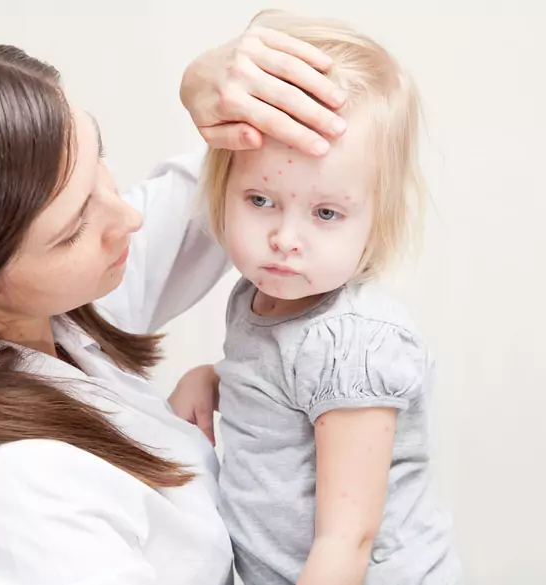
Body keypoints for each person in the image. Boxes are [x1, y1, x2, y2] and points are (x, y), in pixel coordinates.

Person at [0, 19, 348, 585]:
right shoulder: (13, 500)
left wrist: (220, 90)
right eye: (74, 226)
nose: (126, 216)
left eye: (97, 164)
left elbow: (214, 201)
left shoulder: (33, 311)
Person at [168, 11, 462, 585]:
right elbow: (282, 396)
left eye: (326, 213)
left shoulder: (352, 343)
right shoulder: (258, 295)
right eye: (259, 200)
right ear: (223, 187)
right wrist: (212, 378)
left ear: (378, 218)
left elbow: (346, 539)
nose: (285, 238)